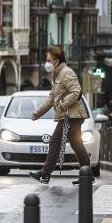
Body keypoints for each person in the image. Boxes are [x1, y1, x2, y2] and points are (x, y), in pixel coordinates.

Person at [28, 46, 88, 185]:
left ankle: (45, 173)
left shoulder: (66, 73)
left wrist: (62, 105)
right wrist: (38, 112)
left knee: (55, 141)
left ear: (56, 60)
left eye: (49, 59)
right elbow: (51, 97)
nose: (47, 62)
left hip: (71, 115)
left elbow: (76, 92)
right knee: (77, 145)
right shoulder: (58, 74)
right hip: (71, 115)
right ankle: (87, 174)